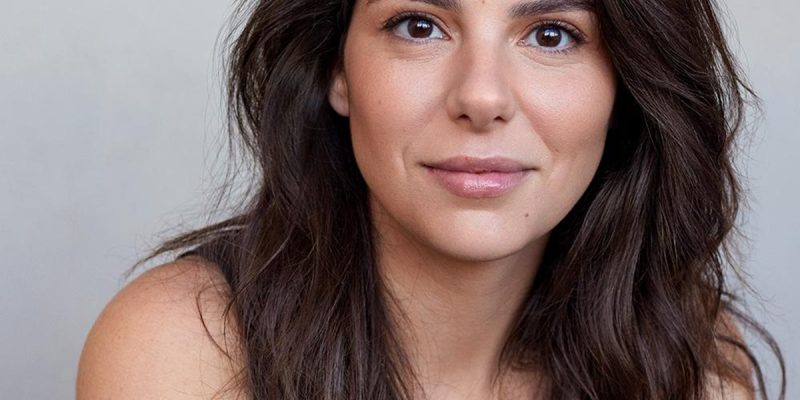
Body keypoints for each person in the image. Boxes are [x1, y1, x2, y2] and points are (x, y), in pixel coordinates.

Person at [76, 0, 785, 399]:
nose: (481, 96)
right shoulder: (185, 352)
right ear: (336, 68)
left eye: (551, 35)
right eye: (419, 25)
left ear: (624, 88)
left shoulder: (693, 366)